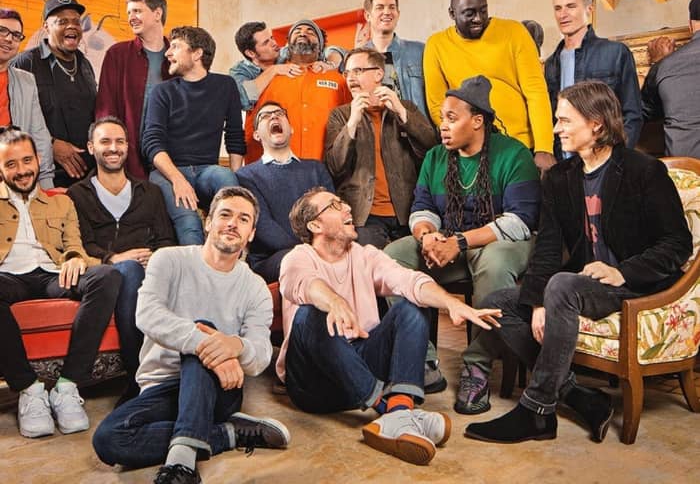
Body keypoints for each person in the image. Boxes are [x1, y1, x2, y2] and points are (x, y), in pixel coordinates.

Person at [465, 81, 692, 444]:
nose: (557, 129)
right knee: (497, 304)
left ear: (597, 124)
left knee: (562, 284)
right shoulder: (559, 178)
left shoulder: (643, 171)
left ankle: (537, 411)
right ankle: (581, 397)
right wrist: (537, 303)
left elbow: (678, 244)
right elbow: (547, 249)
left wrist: (621, 271)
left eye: (565, 120)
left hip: (634, 286)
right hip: (584, 286)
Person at [277, 187, 502, 465]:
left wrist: (452, 304)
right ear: (315, 225)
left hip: (360, 360)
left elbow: (409, 280)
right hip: (315, 383)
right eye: (334, 206)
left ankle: (400, 410)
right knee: (310, 314)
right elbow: (307, 285)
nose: (347, 207)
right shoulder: (297, 258)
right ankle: (390, 411)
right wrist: (334, 302)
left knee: (412, 306)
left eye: (343, 202)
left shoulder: (365, 255)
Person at [92, 186, 290, 484]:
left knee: (203, 332)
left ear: (251, 234)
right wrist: (210, 343)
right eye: (225, 215)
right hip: (162, 386)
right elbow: (147, 315)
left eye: (243, 219)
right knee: (108, 439)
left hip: (218, 391)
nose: (233, 224)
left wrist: (235, 345)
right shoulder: (169, 260)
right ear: (208, 222)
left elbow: (260, 356)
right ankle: (228, 433)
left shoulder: (255, 288)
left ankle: (181, 467)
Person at [384, 75, 540, 413]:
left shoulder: (513, 154)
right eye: (442, 117)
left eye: (452, 118)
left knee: (495, 264)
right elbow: (423, 208)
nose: (443, 125)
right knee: (393, 257)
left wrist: (459, 241)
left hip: (500, 242)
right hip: (452, 241)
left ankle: (477, 365)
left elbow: (520, 222)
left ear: (478, 121)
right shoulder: (436, 157)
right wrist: (427, 235)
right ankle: (422, 358)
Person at [0, 127, 120, 438]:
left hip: (53, 274)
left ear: (38, 160)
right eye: (11, 164)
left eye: (27, 160)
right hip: (8, 277)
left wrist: (75, 257)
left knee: (107, 276)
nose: (22, 170)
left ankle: (67, 386)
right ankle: (29, 390)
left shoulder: (61, 203)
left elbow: (74, 244)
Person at [67, 116, 176, 403]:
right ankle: (138, 378)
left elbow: (166, 239)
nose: (113, 148)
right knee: (128, 270)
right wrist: (115, 258)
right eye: (105, 142)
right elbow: (81, 244)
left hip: (149, 273)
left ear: (128, 147)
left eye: (119, 142)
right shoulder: (77, 194)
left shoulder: (150, 192)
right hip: (107, 275)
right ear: (91, 147)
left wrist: (156, 259)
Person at [423, 0, 555, 171]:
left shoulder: (515, 32)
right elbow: (437, 104)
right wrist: (463, 141)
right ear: (452, 13)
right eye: (469, 13)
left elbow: (536, 92)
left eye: (483, 11)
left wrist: (544, 148)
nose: (478, 18)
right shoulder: (436, 45)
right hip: (468, 152)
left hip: (520, 146)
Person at [142, 26, 244, 245]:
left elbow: (235, 135)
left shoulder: (226, 85)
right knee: (189, 222)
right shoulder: (162, 91)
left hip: (208, 170)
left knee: (228, 183)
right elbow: (151, 143)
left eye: (175, 47)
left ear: (197, 53)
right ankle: (197, 266)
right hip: (168, 172)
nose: (168, 53)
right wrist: (177, 179)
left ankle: (229, 255)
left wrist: (237, 178)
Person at [325, 47, 436, 248]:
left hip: (407, 212)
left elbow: (431, 150)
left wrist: (401, 112)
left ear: (378, 74)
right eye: (347, 73)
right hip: (364, 217)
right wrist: (352, 122)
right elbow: (335, 166)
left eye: (358, 71)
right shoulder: (340, 115)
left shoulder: (406, 107)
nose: (350, 78)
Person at [236, 101, 334, 283]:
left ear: (291, 129)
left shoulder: (316, 169)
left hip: (320, 251)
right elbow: (264, 227)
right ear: (256, 135)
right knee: (300, 262)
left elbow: (331, 213)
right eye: (265, 116)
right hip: (272, 259)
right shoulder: (246, 176)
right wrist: (310, 252)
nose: (274, 116)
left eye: (280, 113)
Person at [545, 0, 642, 157]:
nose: (563, 14)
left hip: (605, 159)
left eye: (571, 6)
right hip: (563, 162)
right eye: (558, 8)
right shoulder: (551, 63)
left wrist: (618, 157)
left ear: (589, 10)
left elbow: (633, 114)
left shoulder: (616, 53)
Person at [12, 0, 96, 187]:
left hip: (87, 178)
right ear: (46, 27)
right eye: (62, 21)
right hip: (43, 176)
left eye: (76, 21)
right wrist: (50, 144)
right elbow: (11, 121)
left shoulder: (85, 64)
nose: (72, 26)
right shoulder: (24, 63)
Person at [243, 19, 351, 163]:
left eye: (310, 32)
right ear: (287, 46)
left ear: (321, 47)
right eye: (297, 31)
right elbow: (247, 109)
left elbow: (351, 124)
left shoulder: (339, 80)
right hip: (275, 169)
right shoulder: (266, 77)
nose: (303, 33)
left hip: (325, 168)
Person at [95, 0, 172, 179]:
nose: (131, 18)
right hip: (128, 158)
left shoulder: (177, 56)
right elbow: (106, 108)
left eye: (137, 11)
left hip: (171, 157)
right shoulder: (117, 54)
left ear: (157, 14)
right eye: (129, 12)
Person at [230, 22, 344, 112]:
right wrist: (273, 70)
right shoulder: (240, 71)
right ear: (251, 53)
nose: (274, 43)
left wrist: (331, 63)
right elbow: (244, 99)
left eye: (272, 38)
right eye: (266, 43)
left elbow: (329, 50)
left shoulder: (283, 52)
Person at [0, 8, 55, 187]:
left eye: (16, 35)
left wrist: (46, 185)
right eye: (2, 31)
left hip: (16, 179)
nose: (9, 39)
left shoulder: (26, 81)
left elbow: (39, 135)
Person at [641, 0, 700, 158]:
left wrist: (660, 63)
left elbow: (644, 112)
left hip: (685, 170)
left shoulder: (665, 66)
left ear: (690, 25)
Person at [359, 0, 429, 119]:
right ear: (367, 15)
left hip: (418, 128)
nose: (387, 12)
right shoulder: (358, 59)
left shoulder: (420, 51)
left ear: (398, 14)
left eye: (392, 7)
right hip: (376, 130)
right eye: (380, 7)